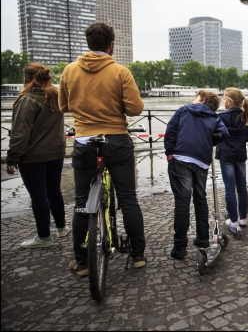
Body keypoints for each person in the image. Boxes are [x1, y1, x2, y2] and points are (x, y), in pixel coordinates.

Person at [59, 22, 147, 276]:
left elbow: (63, 106)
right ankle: (138, 254)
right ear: (111, 45)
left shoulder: (69, 71)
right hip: (116, 140)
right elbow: (135, 109)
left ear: (88, 43)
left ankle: (82, 262)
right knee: (128, 198)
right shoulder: (120, 71)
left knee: (80, 203)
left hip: (85, 141)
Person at [7, 63, 70, 248]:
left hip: (33, 156)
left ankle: (44, 237)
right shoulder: (56, 96)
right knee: (54, 190)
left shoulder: (26, 100)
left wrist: (13, 157)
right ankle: (61, 228)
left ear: (27, 78)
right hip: (56, 153)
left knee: (39, 196)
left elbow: (20, 132)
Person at [164, 90, 229, 259]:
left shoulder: (184, 110)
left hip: (180, 158)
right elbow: (223, 134)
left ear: (203, 100)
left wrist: (169, 152)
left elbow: (171, 130)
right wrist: (208, 139)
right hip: (201, 160)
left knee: (182, 202)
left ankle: (179, 247)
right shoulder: (215, 118)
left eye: (196, 97)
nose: (193, 100)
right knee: (200, 198)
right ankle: (202, 239)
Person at [216, 87, 248, 230]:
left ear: (229, 101)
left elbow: (218, 135)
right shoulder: (246, 116)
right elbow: (247, 137)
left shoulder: (221, 117)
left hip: (226, 156)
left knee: (230, 189)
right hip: (240, 155)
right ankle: (243, 217)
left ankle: (233, 219)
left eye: (224, 99)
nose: (223, 101)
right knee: (242, 187)